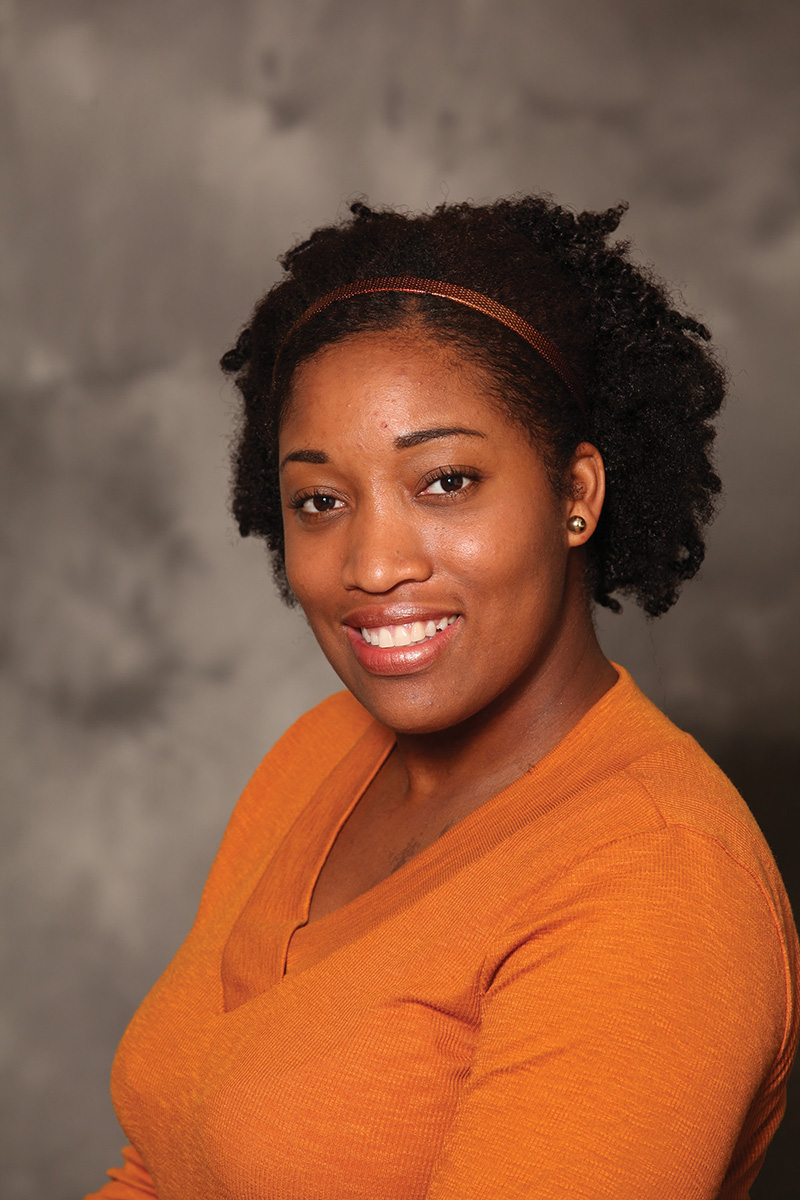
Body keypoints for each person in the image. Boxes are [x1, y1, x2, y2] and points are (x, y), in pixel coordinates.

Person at [86, 196, 798, 1199]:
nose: (371, 566)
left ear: (574, 494)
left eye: (445, 481)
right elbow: (160, 1169)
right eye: (321, 501)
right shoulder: (316, 754)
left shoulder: (654, 884)